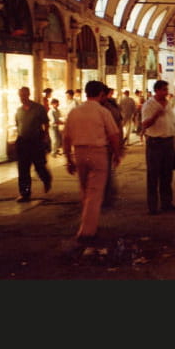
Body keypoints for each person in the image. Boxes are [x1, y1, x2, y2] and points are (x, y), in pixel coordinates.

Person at [62, 80, 122, 242]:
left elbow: (66, 138)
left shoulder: (74, 112)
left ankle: (88, 221)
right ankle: (87, 230)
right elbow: (113, 135)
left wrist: (68, 159)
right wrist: (117, 153)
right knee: (95, 192)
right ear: (101, 94)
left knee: (85, 189)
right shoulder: (102, 112)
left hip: (80, 153)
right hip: (98, 153)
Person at [141, 80, 175, 215]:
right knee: (153, 175)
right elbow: (145, 124)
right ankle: (152, 206)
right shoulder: (149, 105)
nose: (166, 92)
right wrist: (156, 115)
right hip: (155, 143)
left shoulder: (168, 103)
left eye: (166, 89)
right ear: (157, 90)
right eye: (163, 89)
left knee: (167, 175)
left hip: (168, 142)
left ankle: (167, 203)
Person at [14, 86, 52, 202]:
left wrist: (45, 136)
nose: (22, 98)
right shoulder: (19, 111)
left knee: (39, 166)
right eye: (20, 95)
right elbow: (18, 125)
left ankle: (46, 178)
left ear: (28, 94)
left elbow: (46, 123)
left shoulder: (38, 108)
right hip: (22, 142)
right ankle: (25, 193)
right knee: (23, 169)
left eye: (24, 95)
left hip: (36, 141)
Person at [101, 85, 124, 210]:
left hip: (106, 145)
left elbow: (115, 131)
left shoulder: (108, 109)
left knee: (106, 172)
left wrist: (118, 147)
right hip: (108, 145)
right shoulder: (112, 107)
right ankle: (108, 195)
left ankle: (106, 196)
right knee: (107, 171)